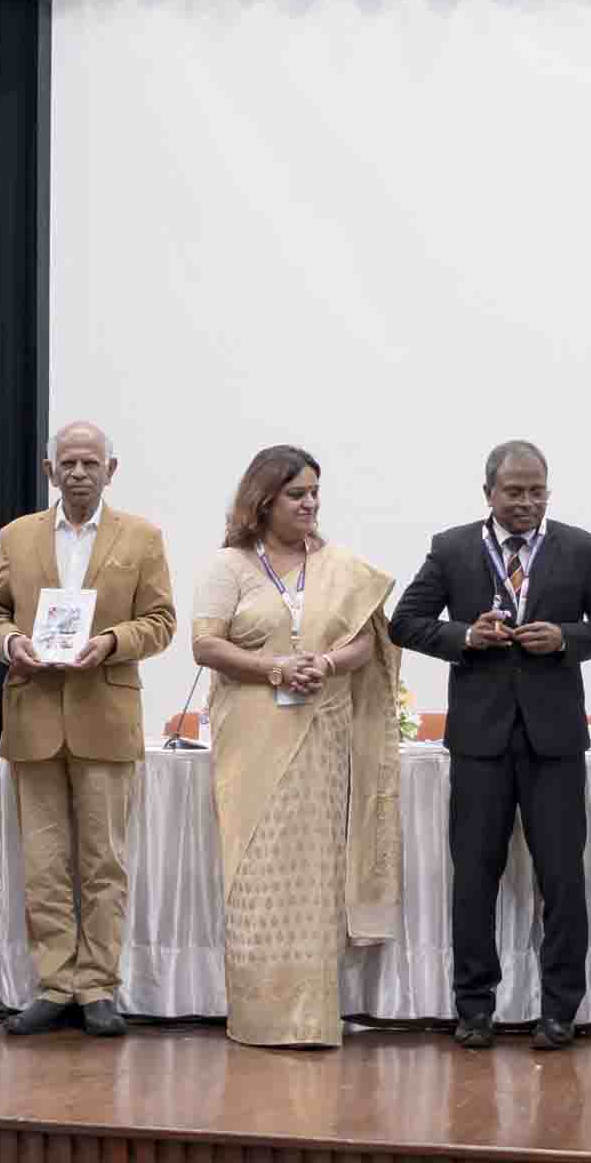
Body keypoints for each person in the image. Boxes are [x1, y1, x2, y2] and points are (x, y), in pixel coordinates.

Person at [389, 440, 591, 1050]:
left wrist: (565, 639)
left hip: (555, 741)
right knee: (474, 879)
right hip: (479, 740)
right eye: (514, 492)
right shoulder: (452, 548)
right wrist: (466, 636)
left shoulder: (581, 547)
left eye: (536, 491)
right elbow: (405, 623)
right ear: (488, 492)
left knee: (562, 880)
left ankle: (560, 1010)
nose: (526, 502)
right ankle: (474, 1008)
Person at [191, 446, 403, 1047]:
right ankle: (258, 1018)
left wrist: (326, 663)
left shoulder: (341, 567)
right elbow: (206, 646)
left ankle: (312, 1018)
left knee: (313, 875)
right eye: (296, 494)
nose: (310, 503)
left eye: (314, 493)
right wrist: (276, 669)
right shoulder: (230, 566)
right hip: (251, 736)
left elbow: (366, 643)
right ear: (264, 500)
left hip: (321, 736)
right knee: (256, 873)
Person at [0, 421, 177, 1037]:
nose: (79, 473)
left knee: (103, 863)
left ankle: (97, 987)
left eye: (91, 463)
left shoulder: (141, 537)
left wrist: (112, 642)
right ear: (50, 471)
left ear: (110, 471)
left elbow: (162, 621)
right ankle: (54, 985)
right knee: (43, 864)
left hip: (106, 715)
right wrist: (10, 642)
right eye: (68, 463)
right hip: (32, 714)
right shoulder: (16, 536)